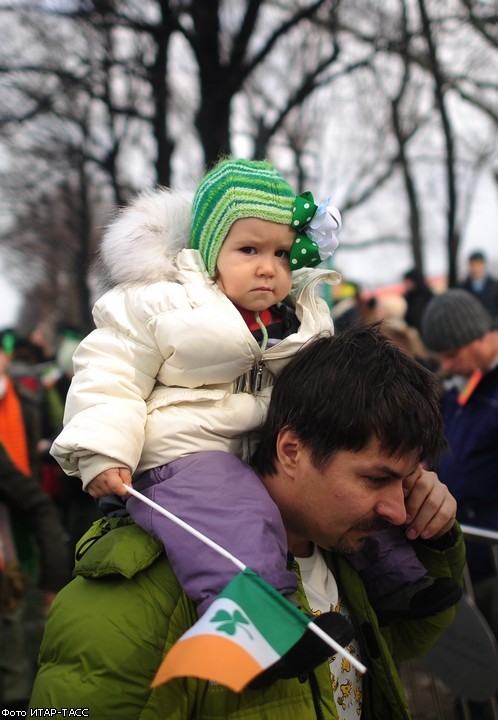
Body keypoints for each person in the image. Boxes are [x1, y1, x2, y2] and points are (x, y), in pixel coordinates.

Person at [30, 325, 465, 718]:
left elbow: (407, 641)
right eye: (375, 479)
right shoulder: (142, 593)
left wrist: (433, 537)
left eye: (406, 480)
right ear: (292, 451)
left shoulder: (350, 549)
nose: (399, 509)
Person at [50, 157, 343, 619]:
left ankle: (399, 582)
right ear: (209, 251)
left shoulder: (298, 317)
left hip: (265, 449)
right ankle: (257, 622)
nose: (268, 268)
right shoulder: (161, 302)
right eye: (249, 250)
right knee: (234, 515)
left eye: (281, 253)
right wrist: (104, 450)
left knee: (351, 479)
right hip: (184, 455)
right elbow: (110, 373)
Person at [421, 288, 498, 639]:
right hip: (469, 560)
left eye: (451, 355)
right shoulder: (457, 393)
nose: (446, 366)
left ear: (478, 338)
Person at [458, 250, 498, 323]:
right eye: (473, 264)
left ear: (483, 264)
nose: (476, 267)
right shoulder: (462, 287)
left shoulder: (495, 286)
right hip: (470, 326)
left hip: (490, 326)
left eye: (478, 264)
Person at [401, 268, 434, 334]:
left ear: (415, 281)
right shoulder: (411, 298)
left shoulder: (422, 298)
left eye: (407, 282)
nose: (405, 285)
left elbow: (415, 320)